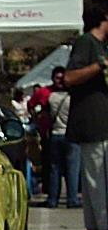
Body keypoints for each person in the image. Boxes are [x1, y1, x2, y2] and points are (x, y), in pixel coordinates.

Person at [64, 0, 108, 230]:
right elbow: (69, 77)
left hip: (97, 128)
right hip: (96, 128)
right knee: (100, 191)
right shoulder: (87, 43)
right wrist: (99, 66)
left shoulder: (100, 46)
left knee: (94, 194)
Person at [44, 67, 81, 208]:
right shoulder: (73, 98)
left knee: (55, 169)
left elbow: (46, 115)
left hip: (55, 134)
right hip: (71, 135)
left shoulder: (51, 97)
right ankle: (72, 199)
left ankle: (53, 199)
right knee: (72, 169)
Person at [28, 67, 68, 197]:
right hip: (47, 132)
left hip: (67, 132)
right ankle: (49, 189)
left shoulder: (70, 92)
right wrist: (36, 119)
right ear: (52, 79)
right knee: (49, 163)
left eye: (62, 78)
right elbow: (30, 104)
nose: (60, 81)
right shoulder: (44, 92)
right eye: (57, 78)